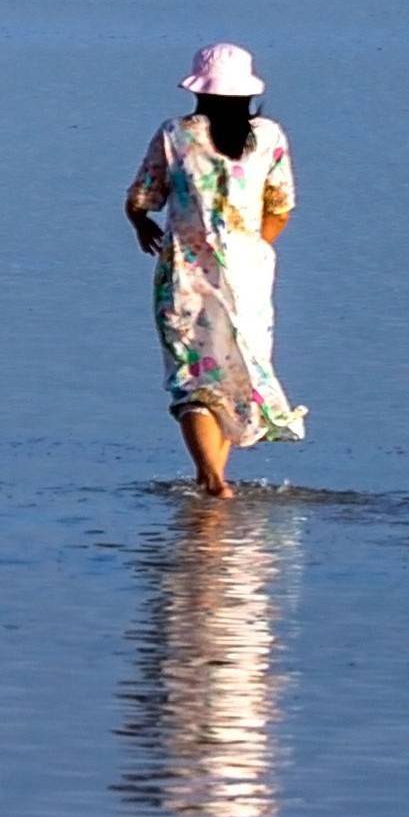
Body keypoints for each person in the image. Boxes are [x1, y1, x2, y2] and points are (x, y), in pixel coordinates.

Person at [124, 41, 307, 497]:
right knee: (231, 373)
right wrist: (248, 251)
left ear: (199, 91)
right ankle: (213, 486)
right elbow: (281, 207)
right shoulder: (269, 137)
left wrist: (139, 223)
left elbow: (143, 196)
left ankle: (211, 481)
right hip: (248, 275)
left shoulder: (176, 134)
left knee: (192, 376)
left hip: (187, 271)